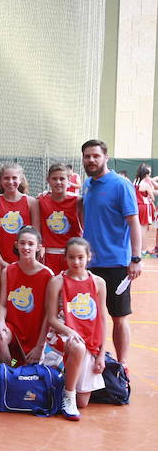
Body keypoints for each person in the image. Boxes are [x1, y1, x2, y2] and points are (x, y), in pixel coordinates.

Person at [80, 139, 141, 366]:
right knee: (91, 317)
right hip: (90, 264)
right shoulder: (87, 184)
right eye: (87, 156)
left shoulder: (120, 185)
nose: (91, 160)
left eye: (96, 155)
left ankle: (122, 364)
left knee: (119, 317)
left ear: (106, 157)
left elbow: (134, 222)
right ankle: (94, 360)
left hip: (116, 264)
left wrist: (135, 258)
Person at [45, 237, 108, 421]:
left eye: (80, 257)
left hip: (89, 339)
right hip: (63, 334)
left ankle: (66, 386)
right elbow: (51, 318)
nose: (76, 262)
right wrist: (69, 331)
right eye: (71, 257)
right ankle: (68, 396)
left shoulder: (98, 283)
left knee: (84, 402)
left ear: (89, 257)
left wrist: (102, 354)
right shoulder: (57, 282)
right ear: (65, 258)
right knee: (77, 347)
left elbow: (103, 320)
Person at [0, 226, 53, 365]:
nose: (26, 247)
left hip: (35, 331)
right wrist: (0, 322)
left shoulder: (48, 275)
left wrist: (40, 346)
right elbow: (2, 304)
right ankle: (7, 376)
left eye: (31, 244)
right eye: (22, 243)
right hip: (13, 328)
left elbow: (49, 314)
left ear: (38, 247)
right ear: (16, 244)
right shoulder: (8, 271)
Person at [0, 163, 39, 265]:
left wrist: (30, 260)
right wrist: (0, 261)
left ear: (20, 180)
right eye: (6, 178)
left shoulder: (32, 202)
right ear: (1, 180)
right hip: (1, 259)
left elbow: (36, 235)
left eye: (14, 178)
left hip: (26, 261)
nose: (10, 182)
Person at [38, 163, 82, 273]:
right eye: (54, 179)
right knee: (51, 288)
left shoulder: (78, 201)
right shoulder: (41, 200)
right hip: (50, 255)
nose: (58, 182)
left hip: (73, 254)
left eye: (62, 179)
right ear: (48, 180)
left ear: (69, 180)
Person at [133, 163, 155, 258]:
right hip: (144, 207)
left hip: (136, 206)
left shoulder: (135, 181)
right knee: (143, 229)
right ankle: (143, 250)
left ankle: (137, 249)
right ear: (146, 174)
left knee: (137, 228)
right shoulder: (145, 184)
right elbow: (152, 198)